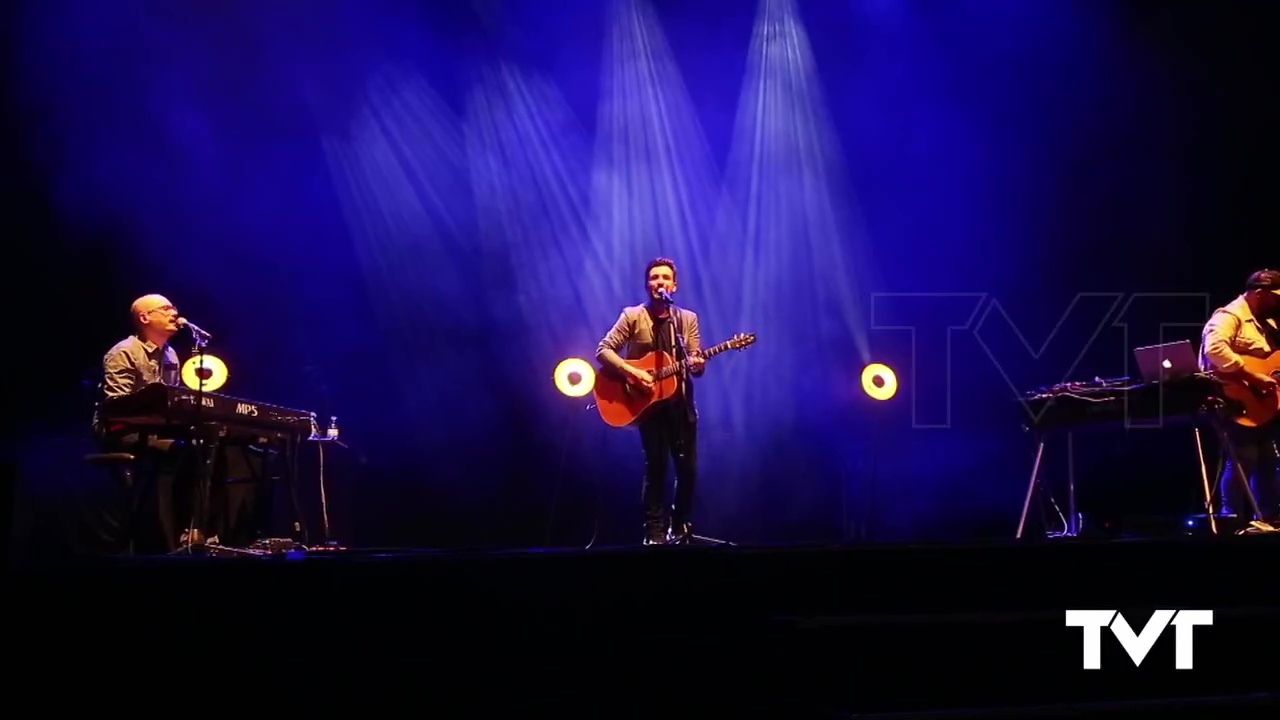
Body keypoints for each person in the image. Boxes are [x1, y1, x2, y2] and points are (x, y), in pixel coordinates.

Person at [597, 257, 706, 545]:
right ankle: (654, 534)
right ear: (648, 284)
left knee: (688, 469)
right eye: (654, 278)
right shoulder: (633, 316)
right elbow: (604, 351)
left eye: (665, 278)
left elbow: (696, 361)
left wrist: (697, 364)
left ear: (674, 284)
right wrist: (632, 372)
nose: (660, 282)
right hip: (648, 406)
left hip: (680, 405)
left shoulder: (687, 319)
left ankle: (679, 527)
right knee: (656, 467)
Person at [91, 294, 190, 553]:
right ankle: (160, 543)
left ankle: (192, 533)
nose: (174, 313)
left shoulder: (171, 355)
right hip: (119, 431)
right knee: (174, 451)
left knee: (206, 448)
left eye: (174, 307)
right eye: (166, 308)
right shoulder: (123, 351)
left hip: (155, 429)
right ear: (145, 318)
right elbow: (116, 406)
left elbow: (173, 402)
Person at [1198, 269, 1280, 525]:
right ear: (1259, 293)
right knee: (1244, 458)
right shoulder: (1229, 316)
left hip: (1262, 405)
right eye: (1274, 296)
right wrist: (1253, 377)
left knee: (1267, 459)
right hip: (1233, 399)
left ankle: (1268, 519)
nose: (1277, 302)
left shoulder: (1268, 322)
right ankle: (1231, 519)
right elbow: (1214, 350)